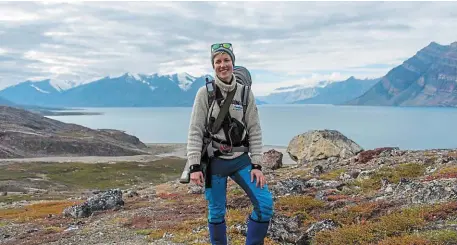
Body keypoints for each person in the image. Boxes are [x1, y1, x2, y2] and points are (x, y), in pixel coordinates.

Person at [186, 43, 274, 245]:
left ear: (233, 63)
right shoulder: (204, 94)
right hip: (213, 163)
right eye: (218, 61)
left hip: (241, 160)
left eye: (226, 60)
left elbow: (254, 130)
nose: (222, 65)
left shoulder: (245, 94)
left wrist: (257, 165)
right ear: (213, 65)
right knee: (216, 213)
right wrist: (194, 166)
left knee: (265, 204)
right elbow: (195, 130)